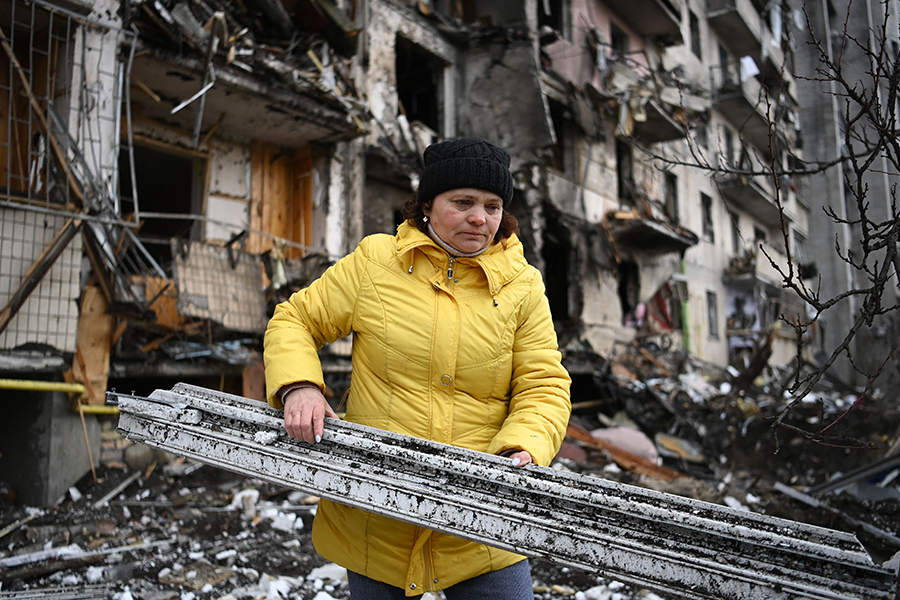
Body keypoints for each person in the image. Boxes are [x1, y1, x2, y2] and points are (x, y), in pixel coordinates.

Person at [264, 136, 572, 599]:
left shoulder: (523, 287)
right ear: (426, 204)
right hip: (378, 509)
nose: (479, 217)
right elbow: (296, 319)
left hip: (480, 516)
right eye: (463, 202)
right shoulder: (375, 263)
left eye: (492, 206)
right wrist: (300, 386)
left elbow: (543, 384)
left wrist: (523, 446)